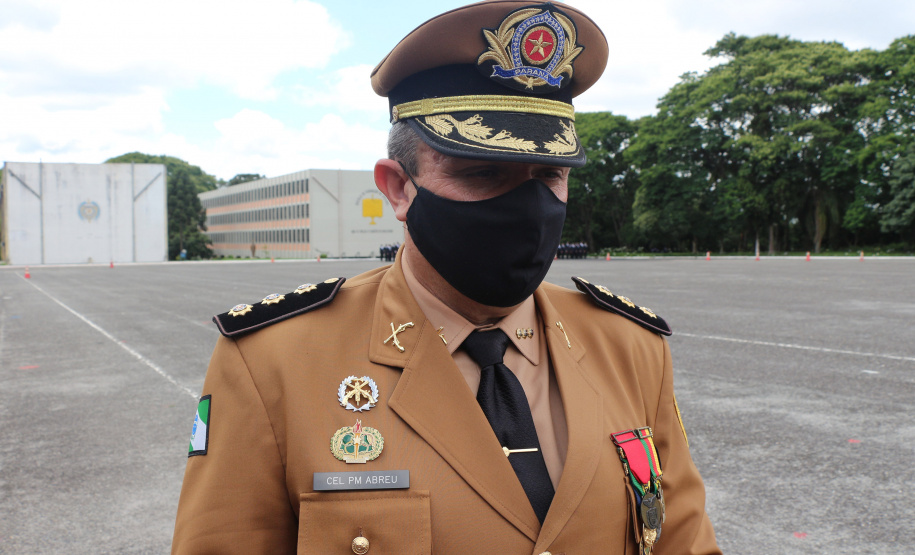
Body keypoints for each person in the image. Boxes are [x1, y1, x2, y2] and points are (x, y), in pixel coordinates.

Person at [172, 1, 720, 553]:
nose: (527, 207)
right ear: (398, 188)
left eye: (549, 175)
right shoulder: (273, 362)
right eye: (483, 172)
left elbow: (682, 540)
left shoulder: (631, 346)